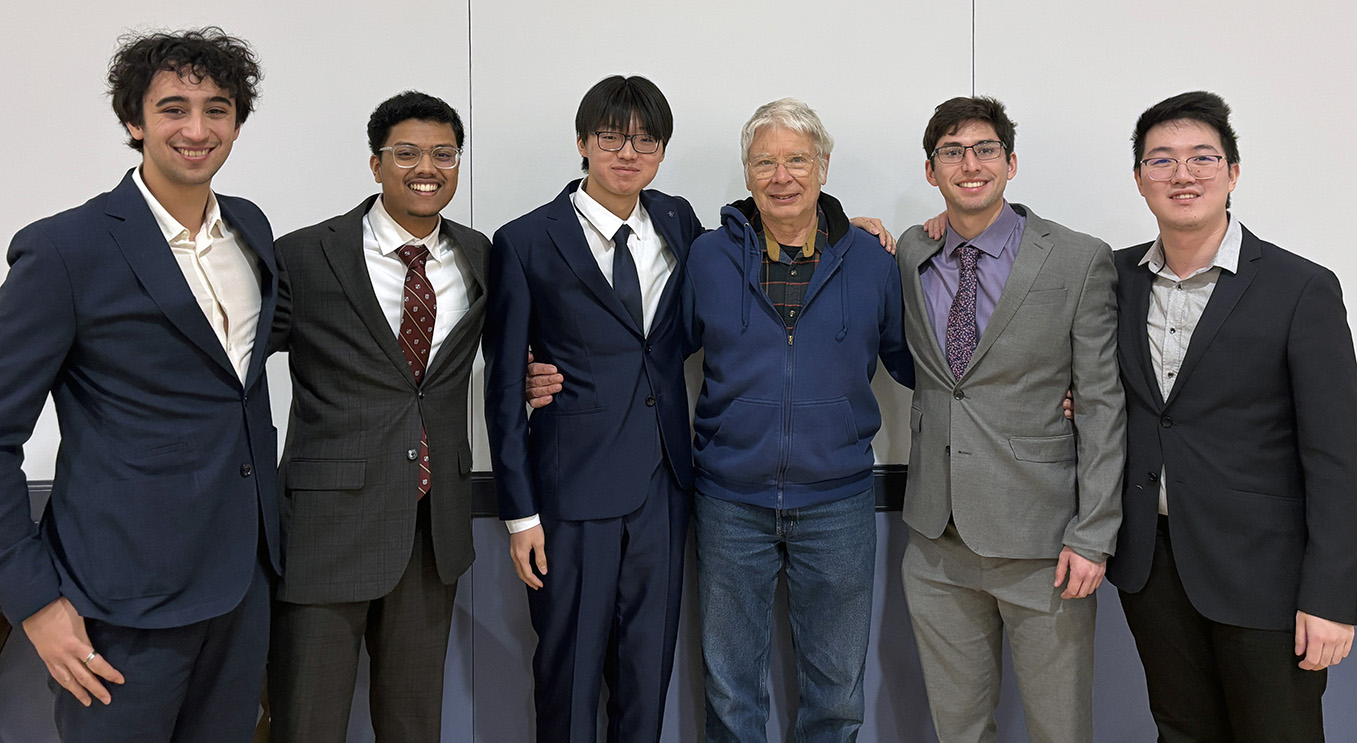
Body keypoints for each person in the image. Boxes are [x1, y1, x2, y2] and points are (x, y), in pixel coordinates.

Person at [0, 28, 279, 741]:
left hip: (243, 583)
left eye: (217, 109)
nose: (197, 128)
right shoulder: (67, 249)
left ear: (238, 121)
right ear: (134, 121)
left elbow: (232, 370)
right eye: (173, 108)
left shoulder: (250, 229)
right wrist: (33, 601)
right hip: (122, 604)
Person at [1107, 90, 1357, 743]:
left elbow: (1337, 456)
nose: (1181, 174)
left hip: (1265, 574)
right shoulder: (1112, 279)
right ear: (1138, 179)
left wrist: (1331, 596)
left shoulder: (1300, 288)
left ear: (1232, 172)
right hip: (1151, 566)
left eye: (1201, 158)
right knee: (1182, 731)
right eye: (1160, 160)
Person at [483, 74, 704, 743]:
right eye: (611, 136)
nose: (627, 152)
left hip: (663, 484)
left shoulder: (678, 221)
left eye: (645, 139)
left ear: (661, 150)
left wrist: (844, 217)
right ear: (583, 142)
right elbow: (501, 385)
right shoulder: (524, 239)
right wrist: (519, 513)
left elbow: (757, 233)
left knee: (646, 676)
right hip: (570, 490)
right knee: (569, 674)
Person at [896, 95, 1124, 742]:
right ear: (930, 169)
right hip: (937, 543)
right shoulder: (912, 251)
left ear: (1010, 162)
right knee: (959, 729)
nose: (969, 164)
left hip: (1043, 543)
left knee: (1059, 728)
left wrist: (1093, 532)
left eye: (984, 149)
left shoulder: (1077, 258)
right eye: (951, 151)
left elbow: (1102, 405)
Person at [686, 98, 913, 742]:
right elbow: (652, 351)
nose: (781, 176)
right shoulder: (708, 257)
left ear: (824, 166)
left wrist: (1034, 391)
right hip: (730, 500)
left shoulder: (871, 261)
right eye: (765, 162)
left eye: (797, 160)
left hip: (837, 500)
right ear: (747, 171)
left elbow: (914, 365)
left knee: (836, 692)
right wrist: (549, 368)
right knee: (731, 691)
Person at [266, 91, 488, 743]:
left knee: (414, 724)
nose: (427, 166)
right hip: (325, 526)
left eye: (443, 153)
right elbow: (235, 370)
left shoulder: (480, 256)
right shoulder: (304, 255)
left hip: (431, 530)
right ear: (375, 163)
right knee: (307, 722)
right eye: (408, 153)